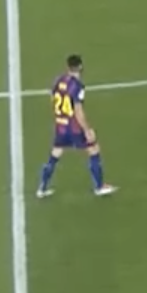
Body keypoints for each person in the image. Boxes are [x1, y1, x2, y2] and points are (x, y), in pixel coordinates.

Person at [34, 55, 116, 198]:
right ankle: (99, 187)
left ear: (68, 67)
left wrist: (60, 116)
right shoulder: (77, 86)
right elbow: (78, 111)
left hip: (61, 125)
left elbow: (53, 99)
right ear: (80, 67)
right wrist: (87, 129)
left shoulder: (58, 81)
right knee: (93, 149)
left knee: (55, 154)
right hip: (74, 127)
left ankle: (42, 188)